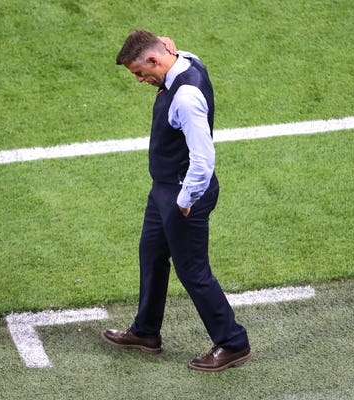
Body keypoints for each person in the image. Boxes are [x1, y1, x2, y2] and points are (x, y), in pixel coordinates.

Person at [101, 30, 250, 372]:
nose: (140, 80)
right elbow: (170, 47)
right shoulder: (187, 60)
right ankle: (146, 332)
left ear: (155, 60)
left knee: (193, 271)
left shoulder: (184, 97)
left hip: (184, 195)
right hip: (164, 190)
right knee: (151, 254)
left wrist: (185, 200)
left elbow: (203, 159)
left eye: (140, 72)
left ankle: (233, 342)